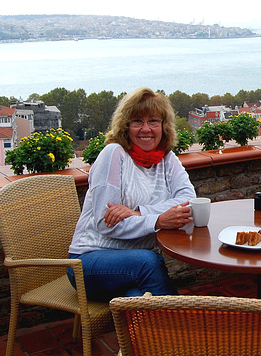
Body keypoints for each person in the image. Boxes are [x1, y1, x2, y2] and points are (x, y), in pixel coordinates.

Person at [68, 87, 196, 301]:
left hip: (133, 266)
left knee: (137, 299)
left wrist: (138, 213)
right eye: (137, 121)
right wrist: (157, 221)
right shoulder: (114, 154)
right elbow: (104, 223)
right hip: (89, 262)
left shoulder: (166, 158)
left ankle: (157, 333)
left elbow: (188, 200)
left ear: (163, 126)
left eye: (153, 121)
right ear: (126, 126)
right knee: (148, 262)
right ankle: (184, 326)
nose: (146, 129)